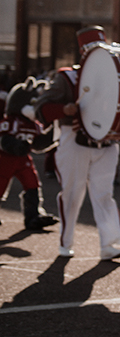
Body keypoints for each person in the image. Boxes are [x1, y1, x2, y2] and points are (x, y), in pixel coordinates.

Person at [28, 26, 120, 260]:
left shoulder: (115, 78)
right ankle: (65, 243)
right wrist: (64, 109)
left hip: (106, 144)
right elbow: (40, 108)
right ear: (83, 53)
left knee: (104, 195)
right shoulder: (67, 77)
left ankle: (109, 244)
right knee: (72, 195)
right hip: (74, 142)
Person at [0, 84, 59, 231]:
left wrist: (52, 135)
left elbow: (38, 144)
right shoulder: (12, 122)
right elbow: (3, 139)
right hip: (4, 159)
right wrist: (15, 145)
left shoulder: (35, 125)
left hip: (23, 159)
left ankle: (33, 215)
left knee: (32, 184)